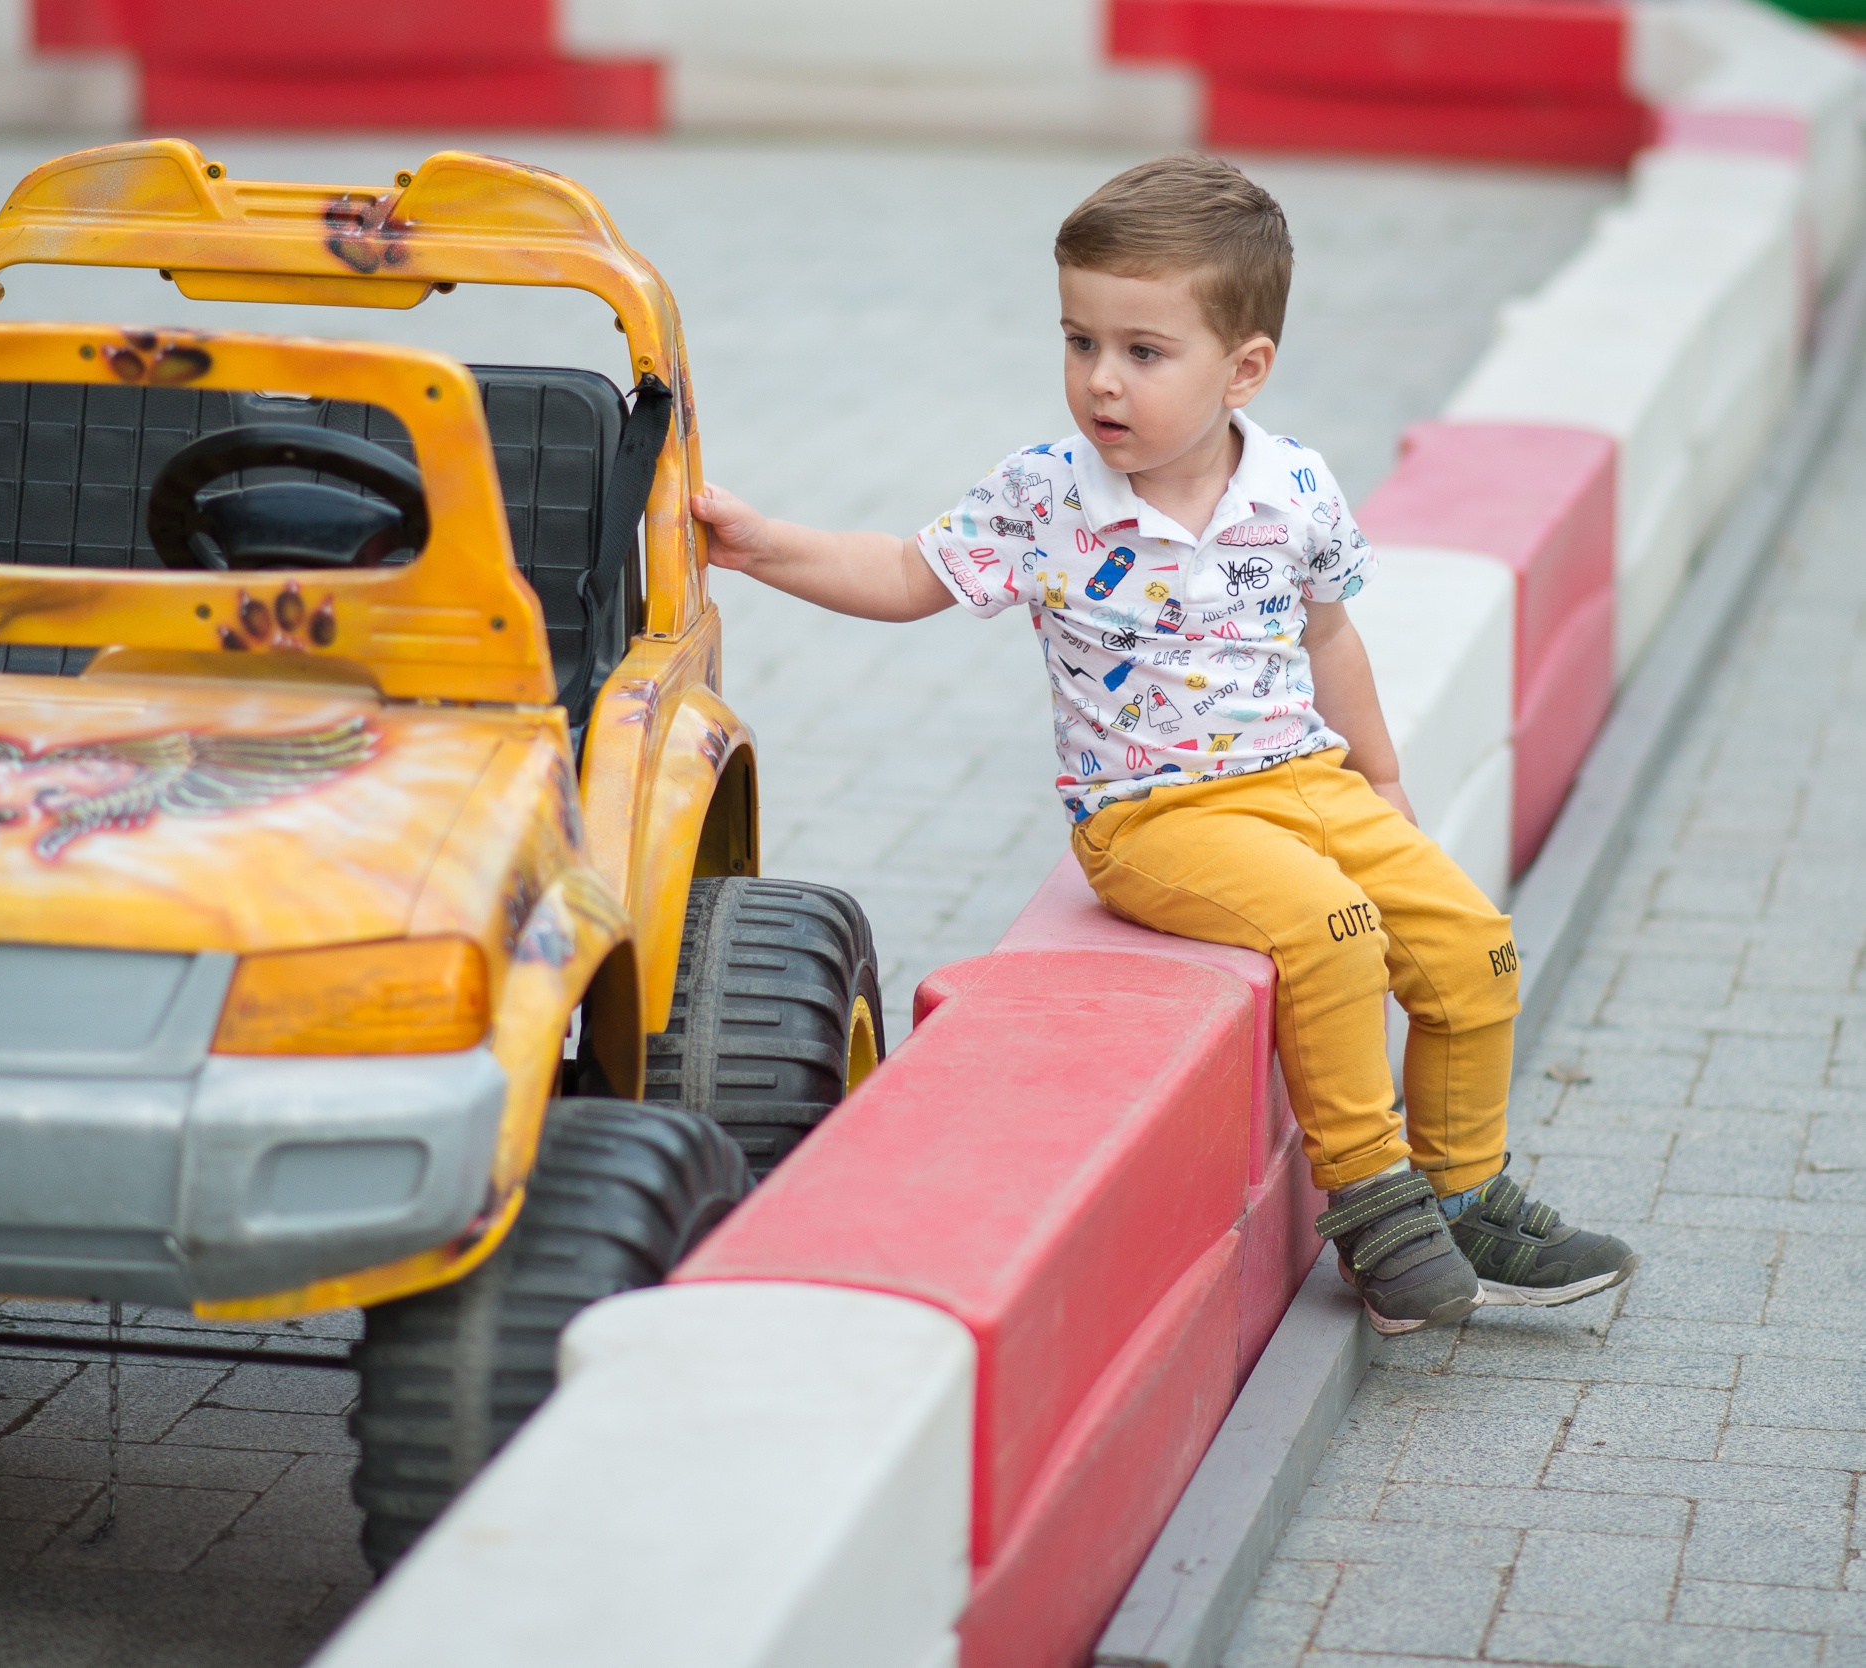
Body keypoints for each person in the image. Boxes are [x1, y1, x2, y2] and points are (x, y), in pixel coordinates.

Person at [689, 153, 1637, 1333]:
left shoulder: (1292, 486)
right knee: (1332, 934)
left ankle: (1464, 1191)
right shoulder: (1045, 496)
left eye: (1143, 351)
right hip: (1153, 815)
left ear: (1244, 368)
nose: (1101, 380)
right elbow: (901, 573)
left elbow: (1330, 637)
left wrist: (1380, 777)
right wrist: (763, 542)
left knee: (1474, 949)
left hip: (1308, 781)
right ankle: (1374, 1210)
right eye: (1079, 341)